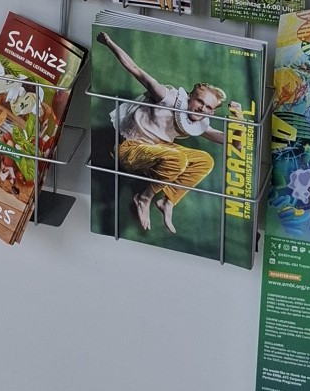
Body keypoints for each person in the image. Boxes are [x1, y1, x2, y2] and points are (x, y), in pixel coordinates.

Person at [97, 27, 243, 237]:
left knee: (205, 161)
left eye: (208, 108)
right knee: (178, 159)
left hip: (158, 151)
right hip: (130, 148)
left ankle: (168, 201)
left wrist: (239, 119)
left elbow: (235, 144)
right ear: (190, 98)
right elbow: (135, 70)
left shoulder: (197, 123)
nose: (202, 109)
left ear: (211, 112)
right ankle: (144, 198)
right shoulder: (167, 98)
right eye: (199, 102)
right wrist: (109, 43)